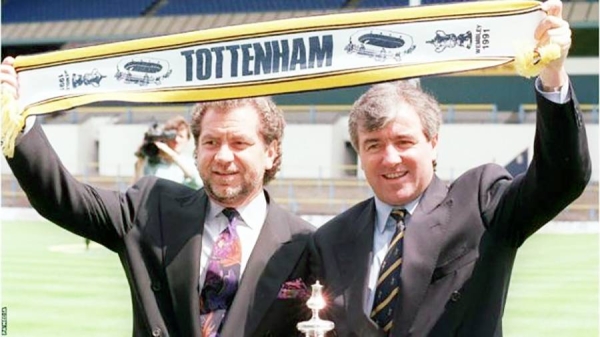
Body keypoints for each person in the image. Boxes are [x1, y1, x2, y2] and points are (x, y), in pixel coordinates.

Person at [309, 1, 591, 336]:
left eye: (404, 142)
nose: (390, 158)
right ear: (358, 153)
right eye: (373, 145)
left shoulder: (481, 205)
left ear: (433, 143)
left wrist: (553, 73)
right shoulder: (331, 239)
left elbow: (561, 178)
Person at [0, 57, 315, 336]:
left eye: (239, 143)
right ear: (196, 149)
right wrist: (20, 122)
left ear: (271, 153)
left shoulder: (305, 244)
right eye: (210, 142)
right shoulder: (151, 207)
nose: (222, 156)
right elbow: (63, 199)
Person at [133, 115, 203, 189]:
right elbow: (136, 190)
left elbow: (197, 183)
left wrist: (173, 156)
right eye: (172, 136)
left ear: (187, 140)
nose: (176, 140)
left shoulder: (190, 163)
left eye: (181, 136)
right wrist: (141, 157)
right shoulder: (151, 162)